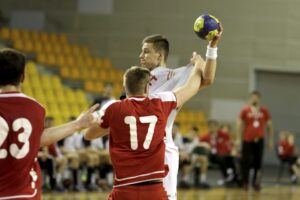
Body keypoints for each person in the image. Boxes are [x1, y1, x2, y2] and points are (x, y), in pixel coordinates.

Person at [84, 51, 205, 200]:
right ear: (147, 87)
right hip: (154, 189)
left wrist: (116, 124)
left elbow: (88, 135)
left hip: (124, 189)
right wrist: (198, 65)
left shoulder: (114, 108)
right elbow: (191, 87)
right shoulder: (161, 102)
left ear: (124, 87)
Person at [0, 48, 98, 199]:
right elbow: (39, 139)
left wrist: (78, 124)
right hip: (24, 191)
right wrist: (78, 124)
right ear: (23, 77)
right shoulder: (35, 108)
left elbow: (37, 139)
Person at [139, 27, 222, 199]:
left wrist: (211, 48)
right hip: (137, 149)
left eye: (146, 52)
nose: (141, 55)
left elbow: (208, 79)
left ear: (160, 56)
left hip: (161, 147)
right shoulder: (135, 78)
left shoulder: (174, 76)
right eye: (141, 51)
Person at [236, 91, 274, 191]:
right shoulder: (245, 110)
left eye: (256, 97)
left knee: (258, 162)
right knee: (245, 161)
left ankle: (256, 182)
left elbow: (269, 126)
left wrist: (270, 140)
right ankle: (245, 182)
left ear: (259, 99)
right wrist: (238, 139)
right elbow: (239, 125)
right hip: (247, 139)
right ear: (250, 99)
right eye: (252, 97)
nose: (254, 99)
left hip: (259, 139)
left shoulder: (264, 111)